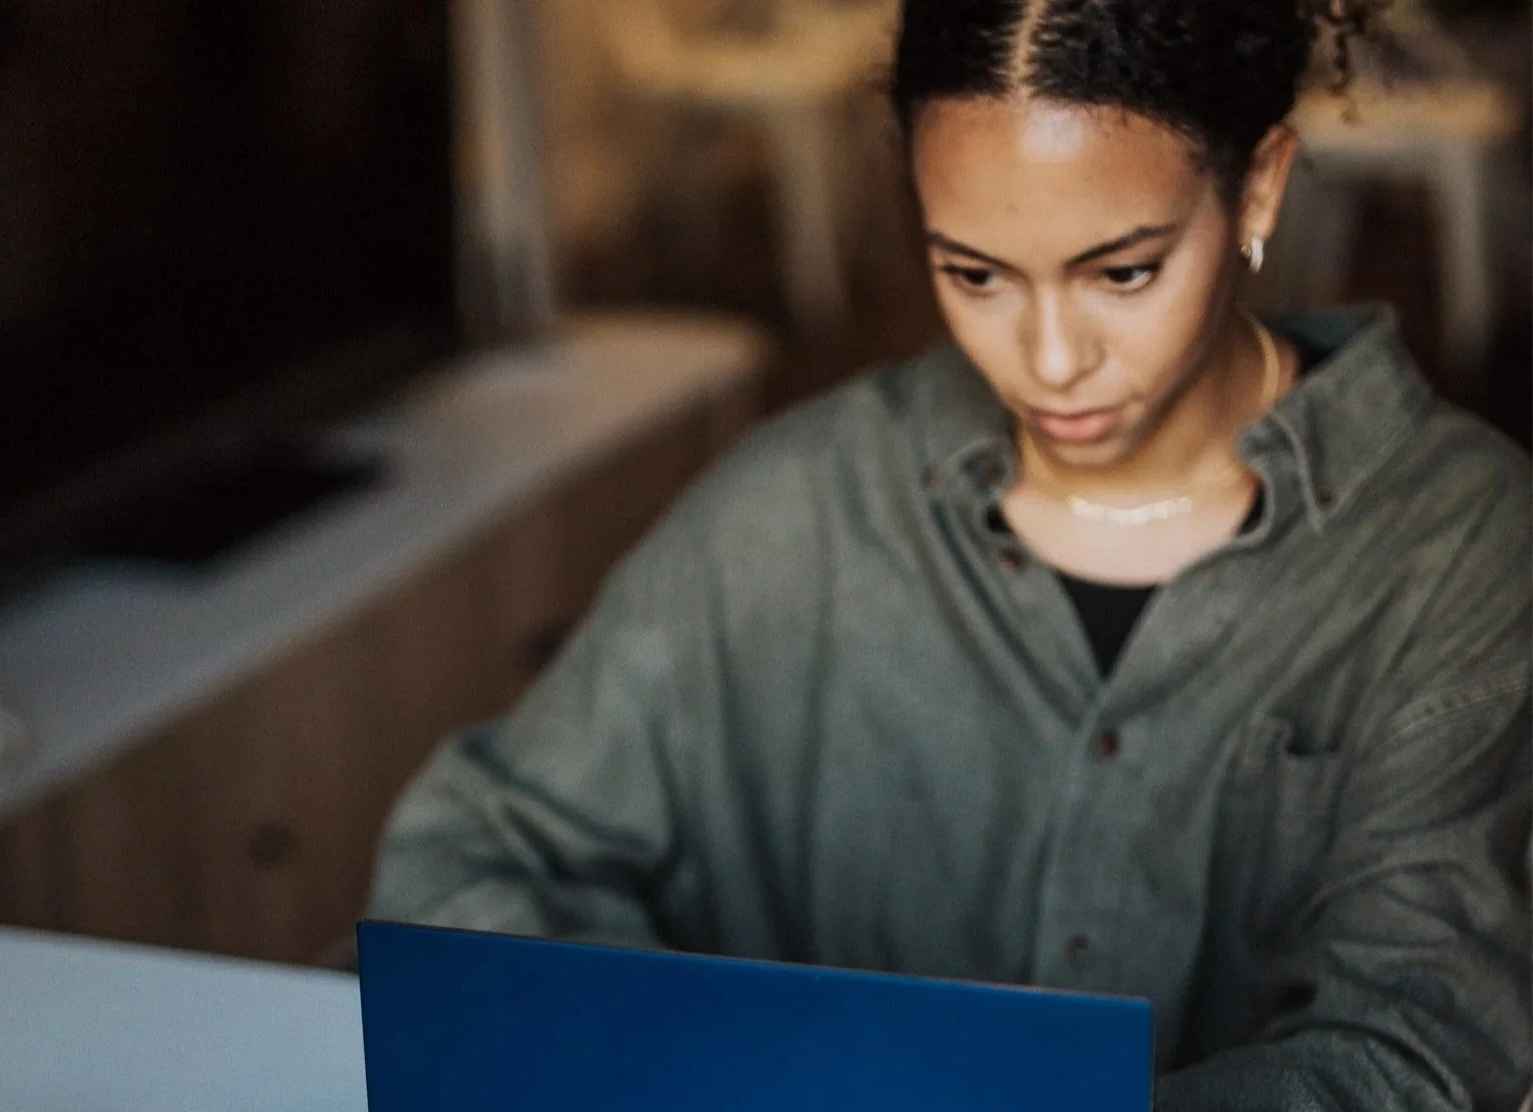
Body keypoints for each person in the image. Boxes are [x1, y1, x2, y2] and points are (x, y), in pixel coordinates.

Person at [368, 0, 1532, 1106]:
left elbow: (1422, 1043)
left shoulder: (1453, 542)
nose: (1048, 359)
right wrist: (691, 1058)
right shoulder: (805, 500)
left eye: (1122, 271)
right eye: (973, 273)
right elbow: (472, 852)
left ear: (1261, 187)